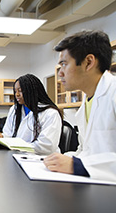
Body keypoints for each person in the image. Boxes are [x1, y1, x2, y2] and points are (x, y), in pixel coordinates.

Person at [43, 30, 116, 181]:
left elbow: (87, 162)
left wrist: (77, 165)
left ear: (88, 62)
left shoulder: (113, 93)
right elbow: (86, 152)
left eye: (64, 64)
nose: (60, 73)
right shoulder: (88, 100)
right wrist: (62, 159)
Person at [0, 74, 62, 155]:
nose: (17, 94)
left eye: (20, 91)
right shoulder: (14, 110)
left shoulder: (50, 113)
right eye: (15, 91)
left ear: (32, 91)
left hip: (42, 159)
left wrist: (17, 146)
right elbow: (9, 135)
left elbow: (46, 146)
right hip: (19, 155)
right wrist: (2, 137)